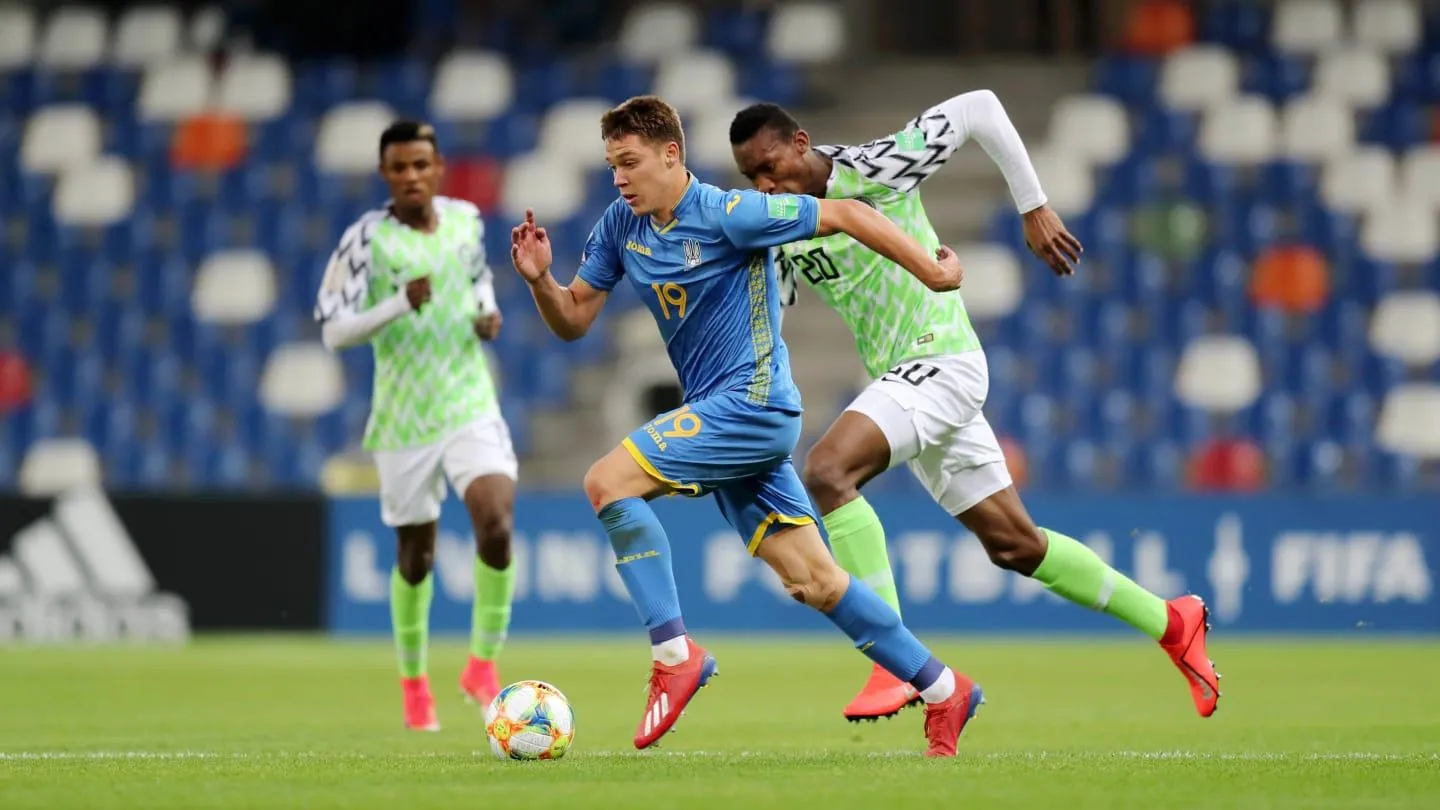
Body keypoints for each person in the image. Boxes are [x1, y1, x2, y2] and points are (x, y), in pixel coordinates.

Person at [728, 91, 1221, 723]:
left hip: (942, 360)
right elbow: (770, 309)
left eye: (770, 167)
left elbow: (981, 107)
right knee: (1015, 545)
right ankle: (1172, 621)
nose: (765, 185)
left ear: (800, 144)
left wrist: (1033, 206)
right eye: (752, 177)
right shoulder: (784, 223)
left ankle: (893, 661)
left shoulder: (876, 167)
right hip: (905, 381)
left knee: (827, 470)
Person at [510, 95, 981, 757]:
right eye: (612, 164)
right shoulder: (621, 224)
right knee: (815, 581)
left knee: (606, 482)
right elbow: (575, 318)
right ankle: (945, 689)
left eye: (630, 162)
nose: (618, 177)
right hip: (722, 417)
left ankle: (674, 655)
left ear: (671, 155)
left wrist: (933, 270)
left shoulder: (730, 213)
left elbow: (847, 212)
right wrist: (541, 282)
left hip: (753, 406)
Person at [315, 120, 518, 731]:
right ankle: (414, 684)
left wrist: (487, 314)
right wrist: (398, 303)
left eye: (420, 165)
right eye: (399, 167)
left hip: (468, 399)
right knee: (416, 556)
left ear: (438, 168)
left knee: (496, 521)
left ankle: (482, 664)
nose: (411, 176)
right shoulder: (366, 240)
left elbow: (479, 279)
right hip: (404, 417)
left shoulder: (465, 220)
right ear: (384, 173)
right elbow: (333, 330)